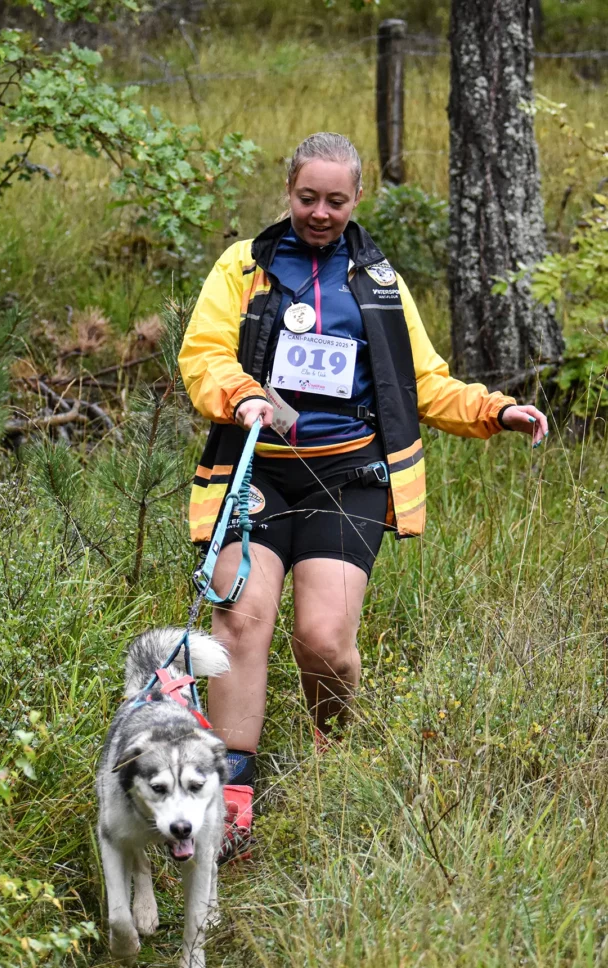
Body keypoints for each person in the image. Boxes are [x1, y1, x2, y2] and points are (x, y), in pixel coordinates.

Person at [178, 132, 548, 862]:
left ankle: (335, 749)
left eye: (335, 201)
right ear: (289, 191)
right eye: (307, 197)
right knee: (240, 624)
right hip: (254, 474)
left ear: (356, 199)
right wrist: (242, 393)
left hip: (348, 480)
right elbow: (204, 353)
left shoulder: (378, 281)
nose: (320, 212)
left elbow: (424, 381)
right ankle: (230, 800)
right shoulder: (243, 266)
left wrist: (493, 410)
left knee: (323, 643)